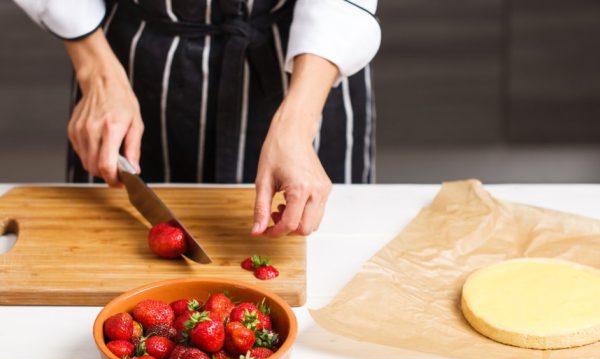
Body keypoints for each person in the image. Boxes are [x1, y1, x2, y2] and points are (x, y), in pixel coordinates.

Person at [14, 0, 380, 237]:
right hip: (131, 60)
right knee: (108, 235)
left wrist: (299, 124)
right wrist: (95, 69)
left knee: (329, 254)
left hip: (309, 64)